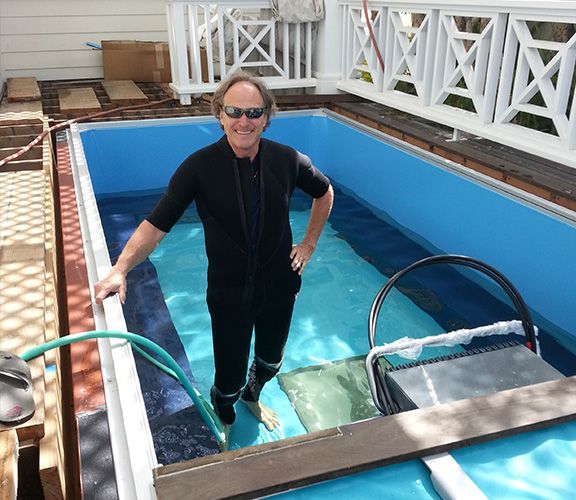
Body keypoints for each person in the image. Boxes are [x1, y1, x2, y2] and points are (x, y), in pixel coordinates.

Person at [94, 71, 334, 447]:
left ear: (267, 118)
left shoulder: (288, 160)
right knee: (229, 379)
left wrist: (308, 246)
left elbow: (325, 192)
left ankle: (254, 396)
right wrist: (121, 269)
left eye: (253, 113)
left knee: (271, 361)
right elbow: (156, 225)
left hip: (280, 286)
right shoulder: (199, 167)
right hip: (229, 293)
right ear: (220, 115)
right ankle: (226, 411)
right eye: (234, 111)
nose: (244, 121)